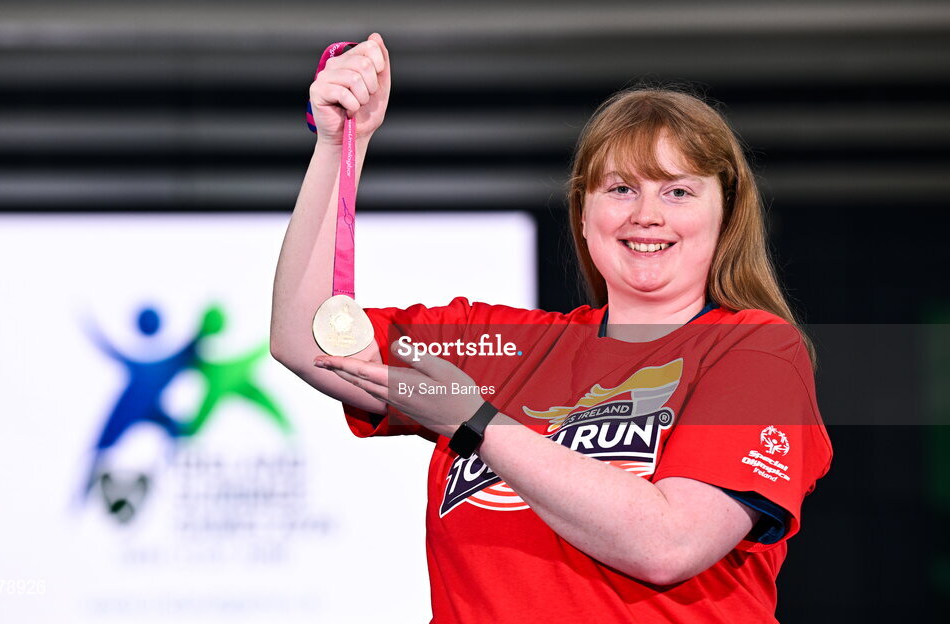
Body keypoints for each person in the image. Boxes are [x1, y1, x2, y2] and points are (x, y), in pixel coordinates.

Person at [270, 33, 832, 623]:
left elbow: (670, 544)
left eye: (679, 191)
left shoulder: (754, 350)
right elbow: (307, 340)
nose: (647, 214)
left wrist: (475, 421)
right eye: (621, 189)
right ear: (583, 214)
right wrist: (338, 146)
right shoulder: (500, 348)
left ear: (726, 215)